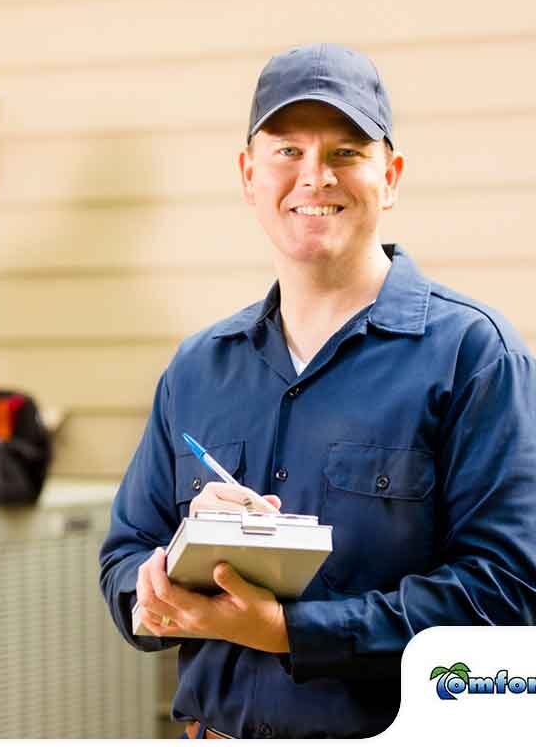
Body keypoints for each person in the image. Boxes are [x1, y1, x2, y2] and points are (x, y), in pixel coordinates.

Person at [99, 43, 536, 738]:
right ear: (249, 175)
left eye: (344, 153)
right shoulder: (197, 369)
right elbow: (123, 557)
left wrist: (292, 632)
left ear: (389, 176)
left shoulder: (473, 356)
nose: (314, 177)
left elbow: (508, 595)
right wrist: (166, 580)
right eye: (288, 152)